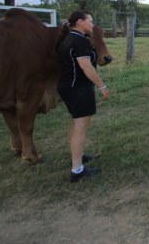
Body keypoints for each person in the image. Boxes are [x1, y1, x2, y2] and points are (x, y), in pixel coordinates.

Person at [56, 11, 110, 182]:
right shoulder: (78, 40)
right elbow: (87, 67)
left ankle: (77, 156)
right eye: (90, 21)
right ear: (80, 22)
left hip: (68, 86)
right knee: (81, 127)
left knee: (76, 123)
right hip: (78, 88)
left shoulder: (68, 37)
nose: (93, 25)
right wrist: (102, 85)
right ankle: (77, 170)